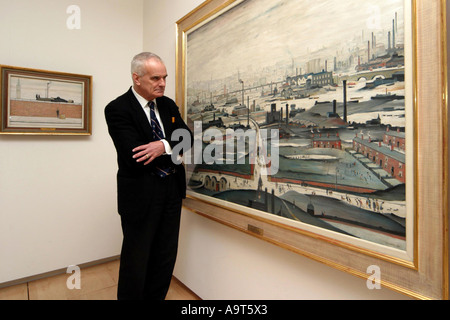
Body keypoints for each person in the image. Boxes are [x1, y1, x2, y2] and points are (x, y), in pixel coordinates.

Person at [105, 52, 193, 300]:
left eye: (164, 77)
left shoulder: (167, 105)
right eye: (155, 78)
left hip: (171, 192)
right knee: (137, 259)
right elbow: (136, 156)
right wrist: (171, 146)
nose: (162, 83)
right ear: (137, 78)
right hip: (140, 195)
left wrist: (162, 146)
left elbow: (188, 138)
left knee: (165, 256)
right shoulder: (117, 109)